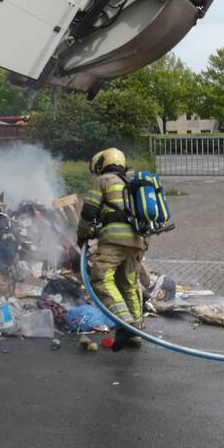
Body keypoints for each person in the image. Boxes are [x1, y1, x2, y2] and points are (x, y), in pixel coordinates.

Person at [77, 147, 146, 351]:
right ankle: (135, 335)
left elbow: (89, 211)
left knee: (101, 279)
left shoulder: (103, 181)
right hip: (138, 241)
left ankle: (125, 325)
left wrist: (82, 235)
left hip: (115, 240)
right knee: (128, 284)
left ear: (104, 163)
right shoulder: (131, 183)